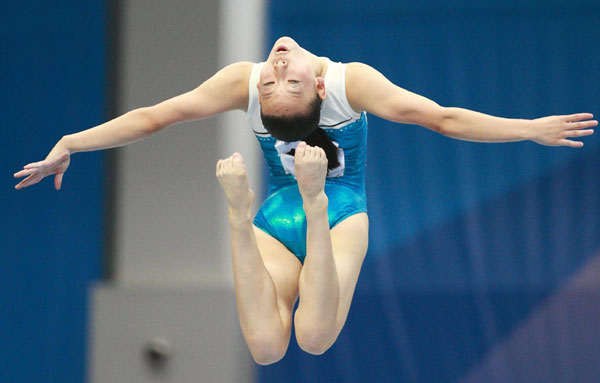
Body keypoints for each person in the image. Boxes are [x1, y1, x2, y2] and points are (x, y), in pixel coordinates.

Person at [14, 36, 596, 364]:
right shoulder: (246, 81)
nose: (274, 67)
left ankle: (294, 204)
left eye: (283, 78)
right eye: (271, 80)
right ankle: (239, 218)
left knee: (314, 338)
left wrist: (528, 128)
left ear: (319, 90)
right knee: (266, 349)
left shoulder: (351, 82)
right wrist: (73, 143)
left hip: (338, 212)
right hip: (278, 214)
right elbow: (153, 117)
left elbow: (441, 118)